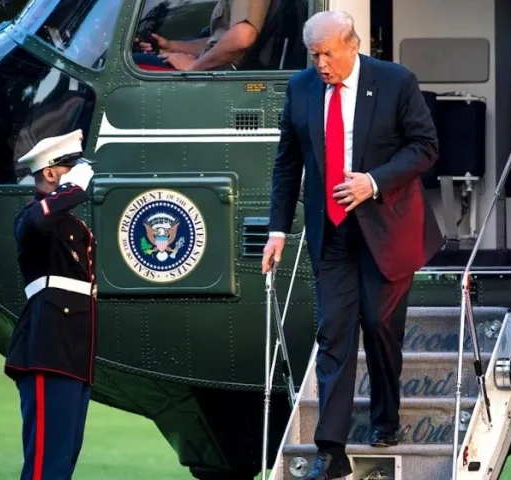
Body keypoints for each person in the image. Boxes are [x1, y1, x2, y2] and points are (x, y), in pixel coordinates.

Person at [261, 10, 443, 480]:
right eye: (314, 55)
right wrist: (278, 231)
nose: (320, 64)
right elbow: (287, 163)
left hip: (388, 227)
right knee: (334, 333)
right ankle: (331, 450)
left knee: (379, 324)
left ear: (352, 44)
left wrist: (373, 182)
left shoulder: (395, 81)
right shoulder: (301, 88)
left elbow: (425, 147)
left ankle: (385, 416)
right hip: (332, 232)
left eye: (327, 54)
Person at [3, 129, 99, 480]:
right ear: (50, 173)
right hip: (48, 347)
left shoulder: (70, 224)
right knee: (46, 466)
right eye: (70, 168)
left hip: (73, 354)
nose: (79, 174)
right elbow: (39, 220)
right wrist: (71, 190)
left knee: (62, 462)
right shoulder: (31, 217)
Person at [134, 0, 271, 71]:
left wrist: (194, 67)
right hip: (217, 69)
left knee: (134, 62)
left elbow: (241, 38)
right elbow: (219, 43)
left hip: (223, 74)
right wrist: (170, 46)